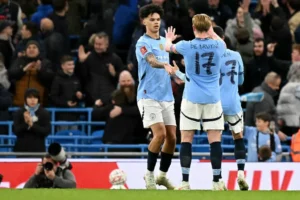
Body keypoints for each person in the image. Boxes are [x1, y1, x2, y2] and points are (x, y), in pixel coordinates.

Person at [165, 14, 227, 190]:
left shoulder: (187, 46)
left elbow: (168, 47)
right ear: (209, 28)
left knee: (186, 139)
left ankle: (184, 181)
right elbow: (222, 42)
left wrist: (169, 39)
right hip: (212, 98)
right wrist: (211, 32)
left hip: (191, 97)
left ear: (193, 28)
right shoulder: (218, 45)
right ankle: (217, 181)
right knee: (214, 140)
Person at [135, 4, 176, 190]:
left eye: (158, 19)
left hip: (166, 96)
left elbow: (172, 65)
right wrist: (164, 66)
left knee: (173, 138)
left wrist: (178, 75)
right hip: (148, 95)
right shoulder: (142, 43)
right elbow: (151, 61)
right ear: (144, 21)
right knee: (159, 134)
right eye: (152, 19)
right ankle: (149, 174)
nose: (156, 22)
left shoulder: (164, 43)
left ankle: (162, 176)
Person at [215, 26, 248, 190]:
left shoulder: (210, 58)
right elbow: (241, 81)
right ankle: (241, 173)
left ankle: (218, 179)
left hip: (216, 105)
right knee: (238, 137)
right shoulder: (236, 55)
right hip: (233, 103)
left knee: (215, 140)